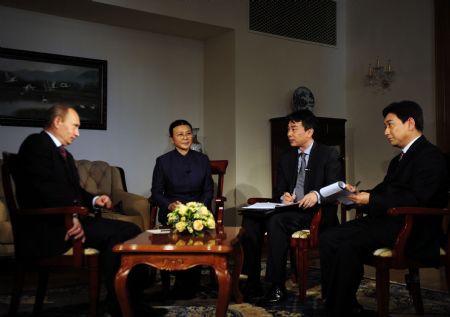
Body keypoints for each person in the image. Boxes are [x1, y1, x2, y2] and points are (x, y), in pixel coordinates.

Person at [14, 104, 151, 316]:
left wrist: (96, 199)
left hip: (67, 220)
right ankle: (123, 304)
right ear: (58, 122)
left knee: (131, 230)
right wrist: (73, 215)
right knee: (122, 233)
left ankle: (129, 301)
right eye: (74, 126)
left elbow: (74, 191)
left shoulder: (65, 155)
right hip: (50, 229)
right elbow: (43, 190)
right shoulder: (35, 144)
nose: (77, 133)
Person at [320, 100, 449, 317]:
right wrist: (355, 195)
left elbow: (417, 198)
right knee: (329, 236)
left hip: (414, 230)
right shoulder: (398, 160)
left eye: (390, 125)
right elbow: (383, 192)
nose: (385, 132)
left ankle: (340, 309)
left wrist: (370, 200)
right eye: (385, 126)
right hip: (389, 222)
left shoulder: (431, 156)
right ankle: (338, 303)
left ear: (410, 123)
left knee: (348, 243)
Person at [241, 109, 343, 303]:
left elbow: (336, 187)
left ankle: (275, 285)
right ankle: (252, 281)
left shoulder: (328, 154)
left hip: (316, 213)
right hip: (290, 209)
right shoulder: (286, 157)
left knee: (276, 221)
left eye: (294, 129)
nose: (289, 133)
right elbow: (279, 188)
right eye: (288, 129)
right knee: (251, 219)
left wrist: (316, 194)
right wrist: (283, 196)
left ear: (309, 132)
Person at [151, 119, 214, 297]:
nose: (186, 138)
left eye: (188, 134)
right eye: (180, 134)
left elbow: (208, 189)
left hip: (198, 210)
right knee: (181, 231)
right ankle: (182, 281)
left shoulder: (202, 159)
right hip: (173, 210)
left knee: (196, 228)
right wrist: (170, 205)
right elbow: (156, 193)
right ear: (172, 139)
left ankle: (189, 283)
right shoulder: (163, 161)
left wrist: (199, 208)